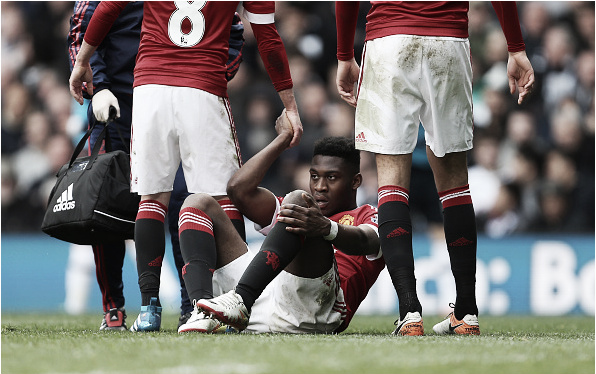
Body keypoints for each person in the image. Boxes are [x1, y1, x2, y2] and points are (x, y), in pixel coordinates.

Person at [69, 1, 303, 332]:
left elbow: (106, 8)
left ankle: (149, 309)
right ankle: (225, 302)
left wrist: (81, 62)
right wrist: (290, 104)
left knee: (151, 199)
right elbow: (267, 37)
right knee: (220, 201)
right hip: (203, 86)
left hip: (150, 89)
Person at [335, 1, 535, 335]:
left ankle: (409, 311)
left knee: (391, 181)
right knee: (455, 183)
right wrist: (516, 47)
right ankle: (467, 311)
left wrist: (344, 55)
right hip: (448, 42)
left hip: (389, 39)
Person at [175, 111, 384, 334]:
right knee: (198, 203)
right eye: (314, 176)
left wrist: (327, 228)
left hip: (314, 311)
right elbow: (239, 190)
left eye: (331, 177)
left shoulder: (368, 214)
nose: (320, 186)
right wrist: (283, 139)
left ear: (355, 181)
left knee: (299, 201)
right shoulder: (299, 207)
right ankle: (203, 313)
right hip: (265, 296)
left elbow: (366, 240)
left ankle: (241, 299)